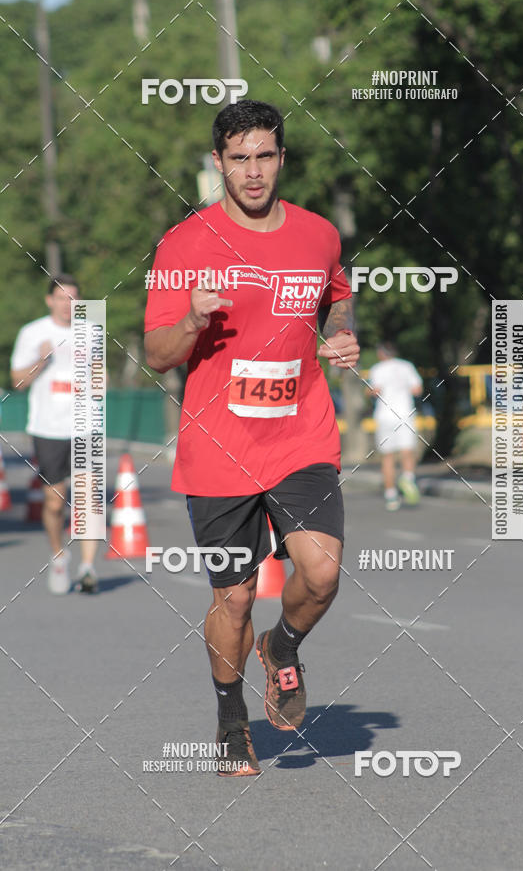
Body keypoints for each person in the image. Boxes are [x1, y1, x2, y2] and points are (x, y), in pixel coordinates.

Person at [144, 100, 359, 776]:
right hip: (219, 445)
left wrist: (338, 333)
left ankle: (284, 647)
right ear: (219, 164)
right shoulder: (185, 243)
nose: (254, 171)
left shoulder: (319, 235)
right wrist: (193, 321)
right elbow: (156, 352)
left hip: (301, 434)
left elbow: (337, 292)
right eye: (239, 158)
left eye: (265, 155)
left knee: (320, 572)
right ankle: (230, 716)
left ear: (282, 158)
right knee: (233, 597)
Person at [10, 275, 100, 594]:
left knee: (88, 496)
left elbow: (99, 378)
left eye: (74, 299)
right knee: (54, 502)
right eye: (62, 298)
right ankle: (59, 555)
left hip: (85, 424)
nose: (68, 305)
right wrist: (42, 359)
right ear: (50, 301)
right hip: (48, 427)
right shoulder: (33, 333)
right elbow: (18, 382)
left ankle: (88, 568)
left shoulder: (92, 331)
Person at [368, 343, 423, 511]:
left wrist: (368, 392)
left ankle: (391, 496)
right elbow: (417, 390)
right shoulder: (407, 366)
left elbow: (375, 390)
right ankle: (407, 478)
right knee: (407, 451)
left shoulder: (377, 369)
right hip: (405, 414)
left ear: (381, 354)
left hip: (385, 416)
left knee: (388, 457)